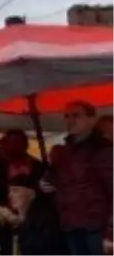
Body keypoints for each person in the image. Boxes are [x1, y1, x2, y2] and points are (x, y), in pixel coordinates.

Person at [49, 100, 114, 256]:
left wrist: (111, 232)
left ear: (92, 119)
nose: (70, 120)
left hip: (97, 227)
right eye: (67, 116)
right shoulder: (65, 151)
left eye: (76, 115)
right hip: (71, 224)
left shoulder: (103, 150)